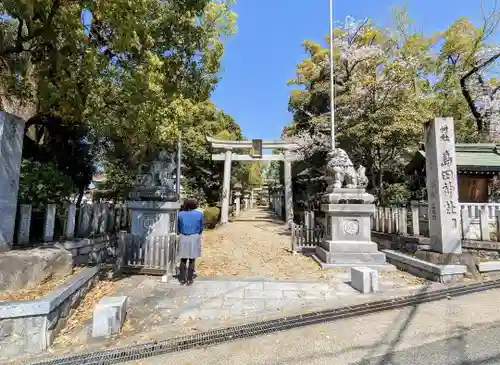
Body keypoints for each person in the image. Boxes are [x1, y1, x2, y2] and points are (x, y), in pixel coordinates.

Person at [177, 199, 204, 285]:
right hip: (195, 236)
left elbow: (178, 227)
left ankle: (182, 279)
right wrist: (198, 233)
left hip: (183, 236)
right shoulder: (199, 214)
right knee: (192, 259)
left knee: (183, 258)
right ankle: (189, 278)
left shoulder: (180, 214)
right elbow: (201, 226)